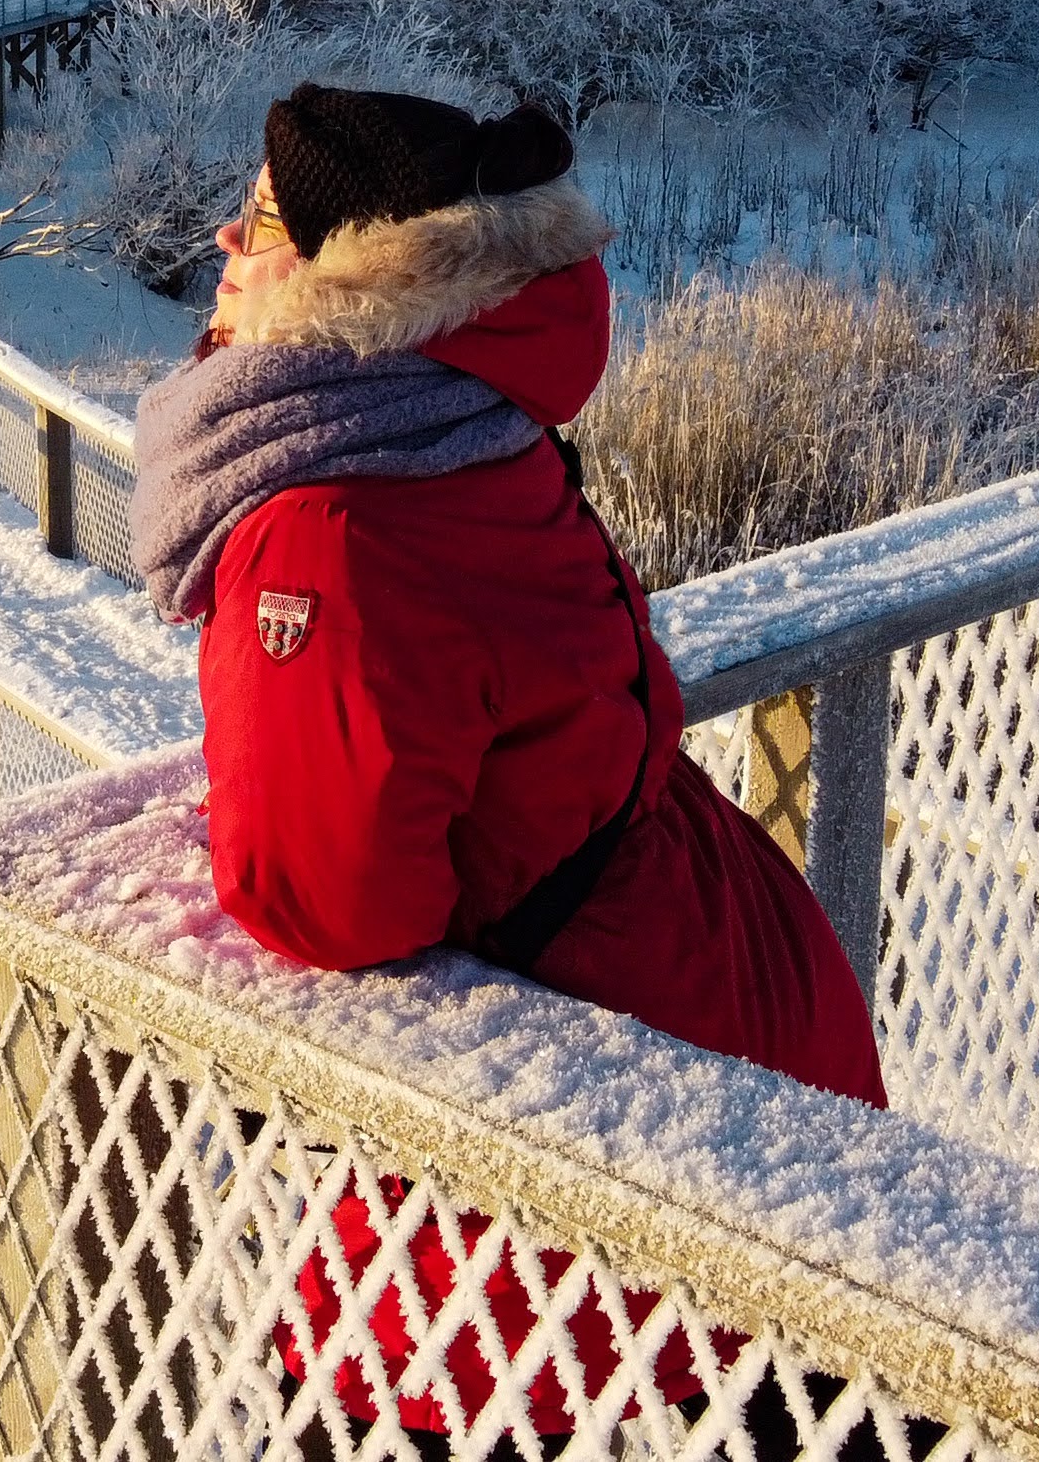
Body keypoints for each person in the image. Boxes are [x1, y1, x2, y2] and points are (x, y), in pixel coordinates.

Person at [130, 83, 885, 1444]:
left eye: (255, 224)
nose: (226, 253)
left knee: (369, 1403)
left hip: (608, 1104)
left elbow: (329, 897)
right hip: (728, 1010)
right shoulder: (457, 426)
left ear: (342, 275)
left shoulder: (326, 517)